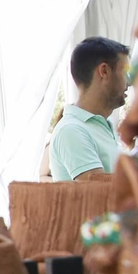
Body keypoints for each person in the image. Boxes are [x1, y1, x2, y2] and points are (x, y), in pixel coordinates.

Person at [50, 36, 130, 181]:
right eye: (125, 72)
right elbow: (100, 196)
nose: (129, 82)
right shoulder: (72, 130)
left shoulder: (105, 124)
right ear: (104, 71)